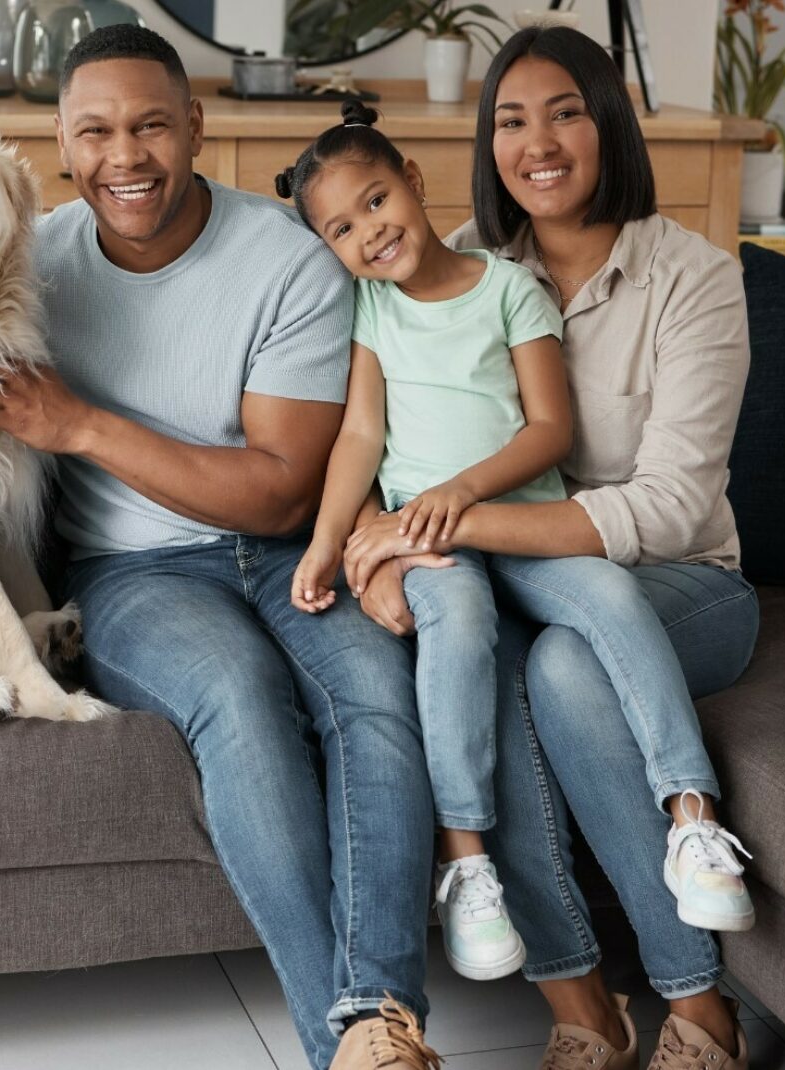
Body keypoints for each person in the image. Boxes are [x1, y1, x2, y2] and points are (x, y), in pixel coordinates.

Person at [0, 26, 441, 1070]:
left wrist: (84, 426)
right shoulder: (23, 249)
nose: (127, 156)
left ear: (196, 127)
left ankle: (379, 1021)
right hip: (134, 575)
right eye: (96, 132)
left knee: (375, 697)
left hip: (291, 550)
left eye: (152, 124)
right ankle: (351, 1042)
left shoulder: (285, 259)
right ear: (62, 149)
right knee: (240, 701)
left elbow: (286, 491)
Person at [339, 26, 762, 1070]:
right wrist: (374, 542)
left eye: (564, 111)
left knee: (565, 667)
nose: (539, 142)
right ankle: (582, 1003)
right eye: (511, 121)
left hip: (680, 583)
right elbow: (381, 437)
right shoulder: (467, 282)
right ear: (486, 148)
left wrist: (451, 521)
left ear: (607, 122)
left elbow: (666, 505)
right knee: (485, 659)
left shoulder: (694, 278)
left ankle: (700, 1005)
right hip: (521, 582)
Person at [275, 99, 566, 984]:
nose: (368, 232)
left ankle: (689, 815)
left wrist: (454, 495)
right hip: (421, 539)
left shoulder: (510, 286)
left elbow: (551, 429)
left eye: (374, 202)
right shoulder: (370, 308)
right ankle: (466, 856)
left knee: (606, 611)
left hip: (502, 514)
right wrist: (330, 543)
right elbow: (359, 438)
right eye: (339, 227)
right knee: (459, 615)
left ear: (413, 179)